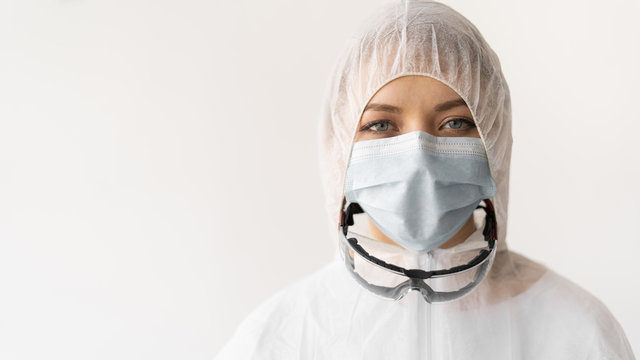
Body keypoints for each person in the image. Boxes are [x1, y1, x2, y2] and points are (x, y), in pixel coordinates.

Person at [215, 1, 635, 358]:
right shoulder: (277, 340)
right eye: (381, 125)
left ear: (494, 139)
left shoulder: (577, 335)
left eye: (454, 122)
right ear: (339, 148)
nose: (418, 154)